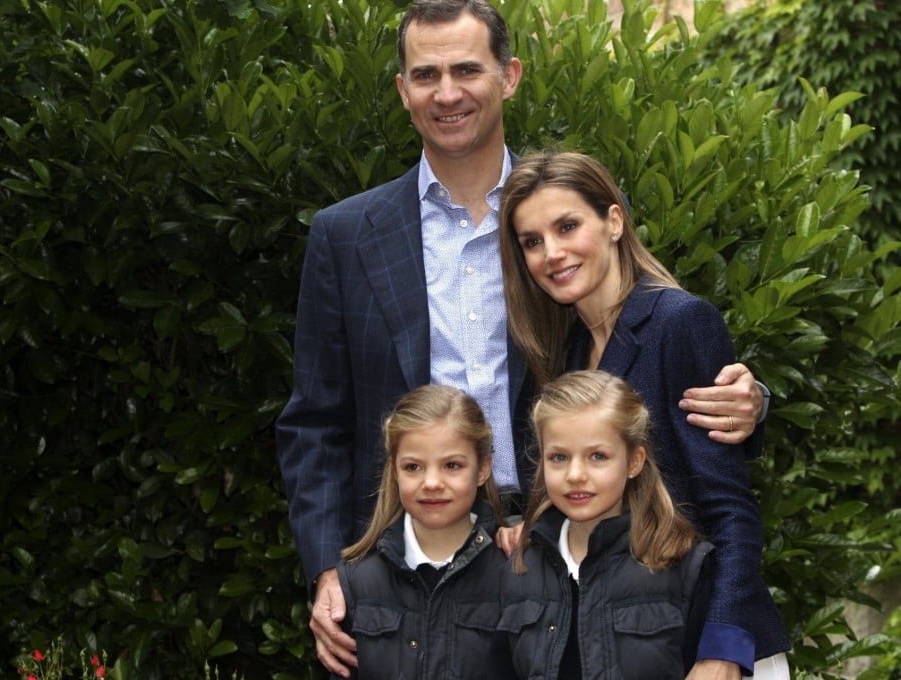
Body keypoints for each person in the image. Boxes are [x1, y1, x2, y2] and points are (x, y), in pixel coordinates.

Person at [275, 1, 764, 675]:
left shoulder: (554, 218)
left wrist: (750, 400)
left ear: (508, 76)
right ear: (402, 90)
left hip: (561, 555)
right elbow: (316, 421)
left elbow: (647, 341)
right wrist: (328, 566)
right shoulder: (344, 234)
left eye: (467, 69)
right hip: (406, 568)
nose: (447, 93)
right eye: (426, 75)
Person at [498, 151, 791, 679]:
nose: (552, 253)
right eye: (532, 241)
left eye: (567, 227)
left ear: (614, 222)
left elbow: (729, 508)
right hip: (625, 645)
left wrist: (723, 649)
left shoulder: (679, 322)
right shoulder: (559, 354)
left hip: (704, 641)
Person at [495, 370, 715, 679]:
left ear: (635, 461)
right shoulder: (520, 567)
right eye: (559, 457)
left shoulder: (682, 564)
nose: (575, 475)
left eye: (597, 456)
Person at [335, 384, 505, 679]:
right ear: (394, 470)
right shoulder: (355, 580)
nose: (432, 483)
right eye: (413, 467)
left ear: (482, 468)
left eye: (452, 465)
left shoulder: (514, 571)